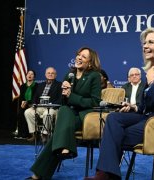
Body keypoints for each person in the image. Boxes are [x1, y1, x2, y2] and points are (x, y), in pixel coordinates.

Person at [85, 27, 154, 180]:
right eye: (144, 43)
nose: (145, 46)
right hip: (151, 117)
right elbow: (149, 105)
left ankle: (105, 175)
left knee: (114, 135)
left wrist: (152, 82)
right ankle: (106, 175)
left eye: (151, 42)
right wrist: (135, 107)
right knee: (113, 118)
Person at [26, 47, 102, 179]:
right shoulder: (69, 75)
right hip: (68, 114)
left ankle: (38, 175)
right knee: (64, 109)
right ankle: (65, 148)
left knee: (59, 131)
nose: (79, 57)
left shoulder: (94, 76)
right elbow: (64, 102)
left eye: (83, 56)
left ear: (90, 62)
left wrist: (71, 96)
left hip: (84, 116)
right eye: (78, 55)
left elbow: (95, 102)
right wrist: (64, 94)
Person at [24, 67, 62, 142]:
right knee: (28, 112)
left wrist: (52, 105)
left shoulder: (59, 85)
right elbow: (35, 96)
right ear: (45, 74)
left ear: (56, 75)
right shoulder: (40, 85)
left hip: (52, 108)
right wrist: (34, 104)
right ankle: (34, 134)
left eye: (52, 73)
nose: (50, 74)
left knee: (47, 113)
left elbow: (60, 99)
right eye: (48, 73)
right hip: (40, 107)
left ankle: (45, 134)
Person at [15, 70, 39, 139]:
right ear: (26, 76)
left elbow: (36, 97)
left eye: (32, 74)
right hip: (24, 104)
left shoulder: (37, 86)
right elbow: (22, 97)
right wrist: (22, 103)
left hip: (32, 105)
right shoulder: (22, 86)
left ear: (34, 77)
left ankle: (27, 134)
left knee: (27, 112)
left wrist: (28, 102)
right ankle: (20, 134)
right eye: (28, 73)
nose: (30, 75)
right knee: (20, 113)